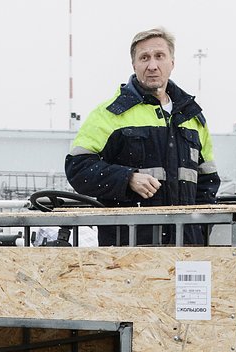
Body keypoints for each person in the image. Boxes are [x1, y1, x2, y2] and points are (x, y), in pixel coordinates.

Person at [65, 27, 220, 245]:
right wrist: (127, 178)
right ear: (134, 65)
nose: (152, 65)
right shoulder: (110, 114)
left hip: (186, 249)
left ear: (172, 63)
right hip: (128, 252)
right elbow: (77, 169)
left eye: (159, 56)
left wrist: (198, 233)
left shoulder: (192, 117)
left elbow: (208, 182)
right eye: (144, 57)